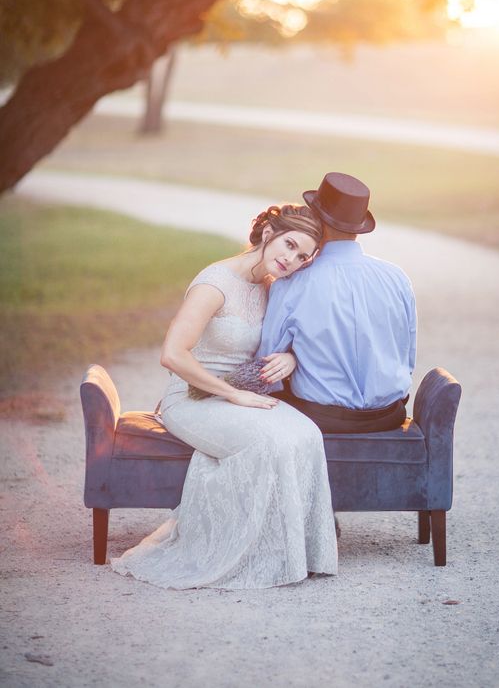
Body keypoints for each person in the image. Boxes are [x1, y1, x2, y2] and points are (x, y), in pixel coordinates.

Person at [110, 204, 338, 589]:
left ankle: (295, 553)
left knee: (307, 434)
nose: (292, 260)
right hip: (191, 400)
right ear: (268, 233)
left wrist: (290, 356)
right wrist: (234, 395)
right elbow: (172, 354)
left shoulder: (271, 286)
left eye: (302, 256)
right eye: (289, 245)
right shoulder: (215, 282)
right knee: (270, 442)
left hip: (239, 395)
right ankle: (244, 550)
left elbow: (286, 337)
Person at [258, 173, 417, 434]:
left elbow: (268, 367)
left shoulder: (293, 283)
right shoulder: (397, 277)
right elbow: (407, 355)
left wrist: (295, 359)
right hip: (389, 415)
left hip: (319, 418)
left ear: (317, 221)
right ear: (359, 226)